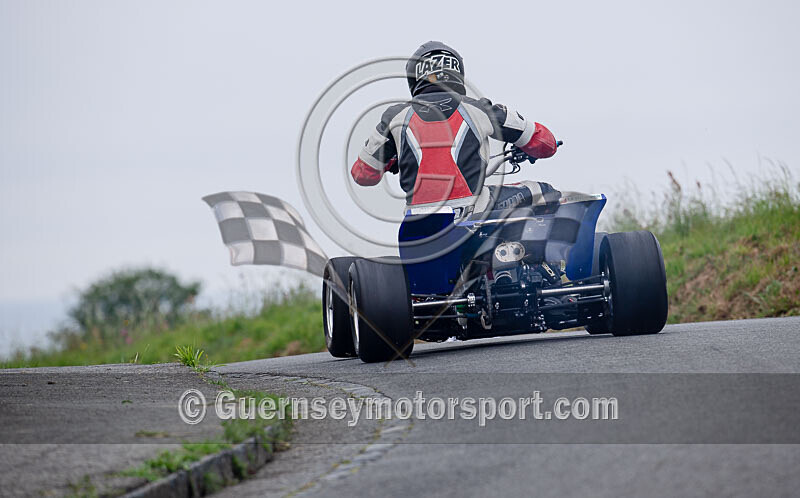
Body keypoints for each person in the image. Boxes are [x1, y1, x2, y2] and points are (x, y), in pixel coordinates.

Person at [351, 41, 561, 218]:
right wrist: (526, 148)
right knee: (543, 192)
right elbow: (546, 144)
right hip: (472, 213)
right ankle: (534, 261)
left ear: (415, 76)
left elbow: (362, 174)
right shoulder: (480, 109)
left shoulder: (394, 117)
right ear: (456, 71)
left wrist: (392, 160)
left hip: (417, 224)